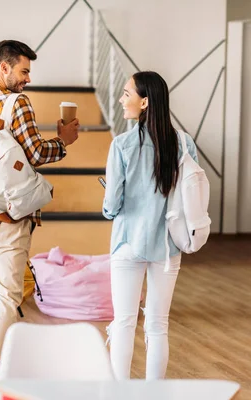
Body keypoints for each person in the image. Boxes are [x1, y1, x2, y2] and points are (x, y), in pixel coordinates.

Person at [0, 40, 80, 400]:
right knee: (5, 298)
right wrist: (64, 140)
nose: (27, 79)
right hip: (7, 218)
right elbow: (35, 152)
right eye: (23, 71)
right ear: (3, 68)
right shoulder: (15, 102)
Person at [103, 71, 199, 380]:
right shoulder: (184, 143)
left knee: (124, 322)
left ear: (144, 102)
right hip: (168, 245)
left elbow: (111, 206)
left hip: (128, 243)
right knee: (158, 325)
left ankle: (119, 394)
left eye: (126, 93)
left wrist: (108, 202)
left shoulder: (122, 144)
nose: (121, 99)